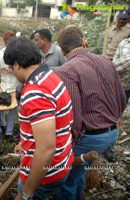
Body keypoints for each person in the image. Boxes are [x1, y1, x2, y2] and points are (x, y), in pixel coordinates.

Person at [54, 26, 126, 200]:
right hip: (110, 134)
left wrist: (69, 144)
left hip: (88, 138)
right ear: (83, 41)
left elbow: (73, 116)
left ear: (62, 50)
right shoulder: (106, 61)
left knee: (66, 182)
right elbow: (122, 98)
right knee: (78, 176)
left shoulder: (67, 70)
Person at [2, 36, 74, 200]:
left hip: (45, 174)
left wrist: (27, 191)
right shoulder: (50, 76)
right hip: (62, 161)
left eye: (12, 69)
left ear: (17, 65)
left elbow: (47, 149)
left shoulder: (35, 92)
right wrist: (27, 142)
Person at [0, 30, 20, 139]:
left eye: (10, 42)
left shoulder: (19, 53)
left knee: (12, 110)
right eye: (6, 42)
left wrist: (11, 70)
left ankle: (9, 132)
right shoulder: (1, 53)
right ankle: (2, 125)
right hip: (4, 85)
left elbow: (23, 69)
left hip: (15, 86)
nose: (8, 44)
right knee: (0, 106)